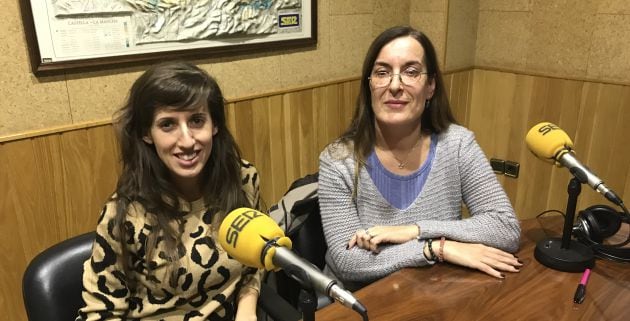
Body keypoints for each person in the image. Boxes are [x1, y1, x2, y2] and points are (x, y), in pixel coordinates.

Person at [318, 26, 522, 291]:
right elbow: (349, 262)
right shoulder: (337, 160)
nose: (394, 85)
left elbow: (505, 227)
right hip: (364, 300)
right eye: (382, 73)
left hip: (435, 291)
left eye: (411, 72)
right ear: (369, 85)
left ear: (431, 86)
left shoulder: (458, 144)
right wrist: (434, 247)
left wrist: (415, 229)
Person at [77, 62, 262, 321]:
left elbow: (255, 258)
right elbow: (99, 314)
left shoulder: (242, 179)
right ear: (146, 133)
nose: (186, 141)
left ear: (215, 125)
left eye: (197, 120)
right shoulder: (124, 212)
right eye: (167, 125)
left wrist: (247, 306)